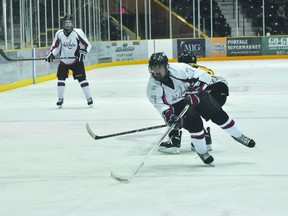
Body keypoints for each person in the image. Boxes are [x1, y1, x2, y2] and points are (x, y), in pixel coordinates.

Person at [146, 52, 255, 165]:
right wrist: (170, 116)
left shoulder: (181, 69)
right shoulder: (152, 88)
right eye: (154, 67)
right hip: (177, 104)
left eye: (159, 67)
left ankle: (239, 136)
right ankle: (202, 153)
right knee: (195, 125)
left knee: (217, 114)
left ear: (166, 66)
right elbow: (161, 106)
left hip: (196, 94)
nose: (156, 70)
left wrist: (196, 91)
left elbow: (205, 76)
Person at [158, 51, 229, 154]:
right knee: (196, 112)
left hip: (198, 97)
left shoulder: (178, 72)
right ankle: (205, 138)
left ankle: (174, 140)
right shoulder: (204, 69)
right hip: (218, 95)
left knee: (173, 107)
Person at [46, 15, 93, 108]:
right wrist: (51, 54)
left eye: (69, 22)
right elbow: (56, 47)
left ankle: (89, 98)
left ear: (72, 23)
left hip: (76, 60)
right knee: (60, 79)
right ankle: (60, 99)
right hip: (64, 60)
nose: (68, 24)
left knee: (82, 79)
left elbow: (87, 45)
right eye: (66, 23)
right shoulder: (59, 33)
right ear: (63, 24)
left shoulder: (78, 32)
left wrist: (83, 52)